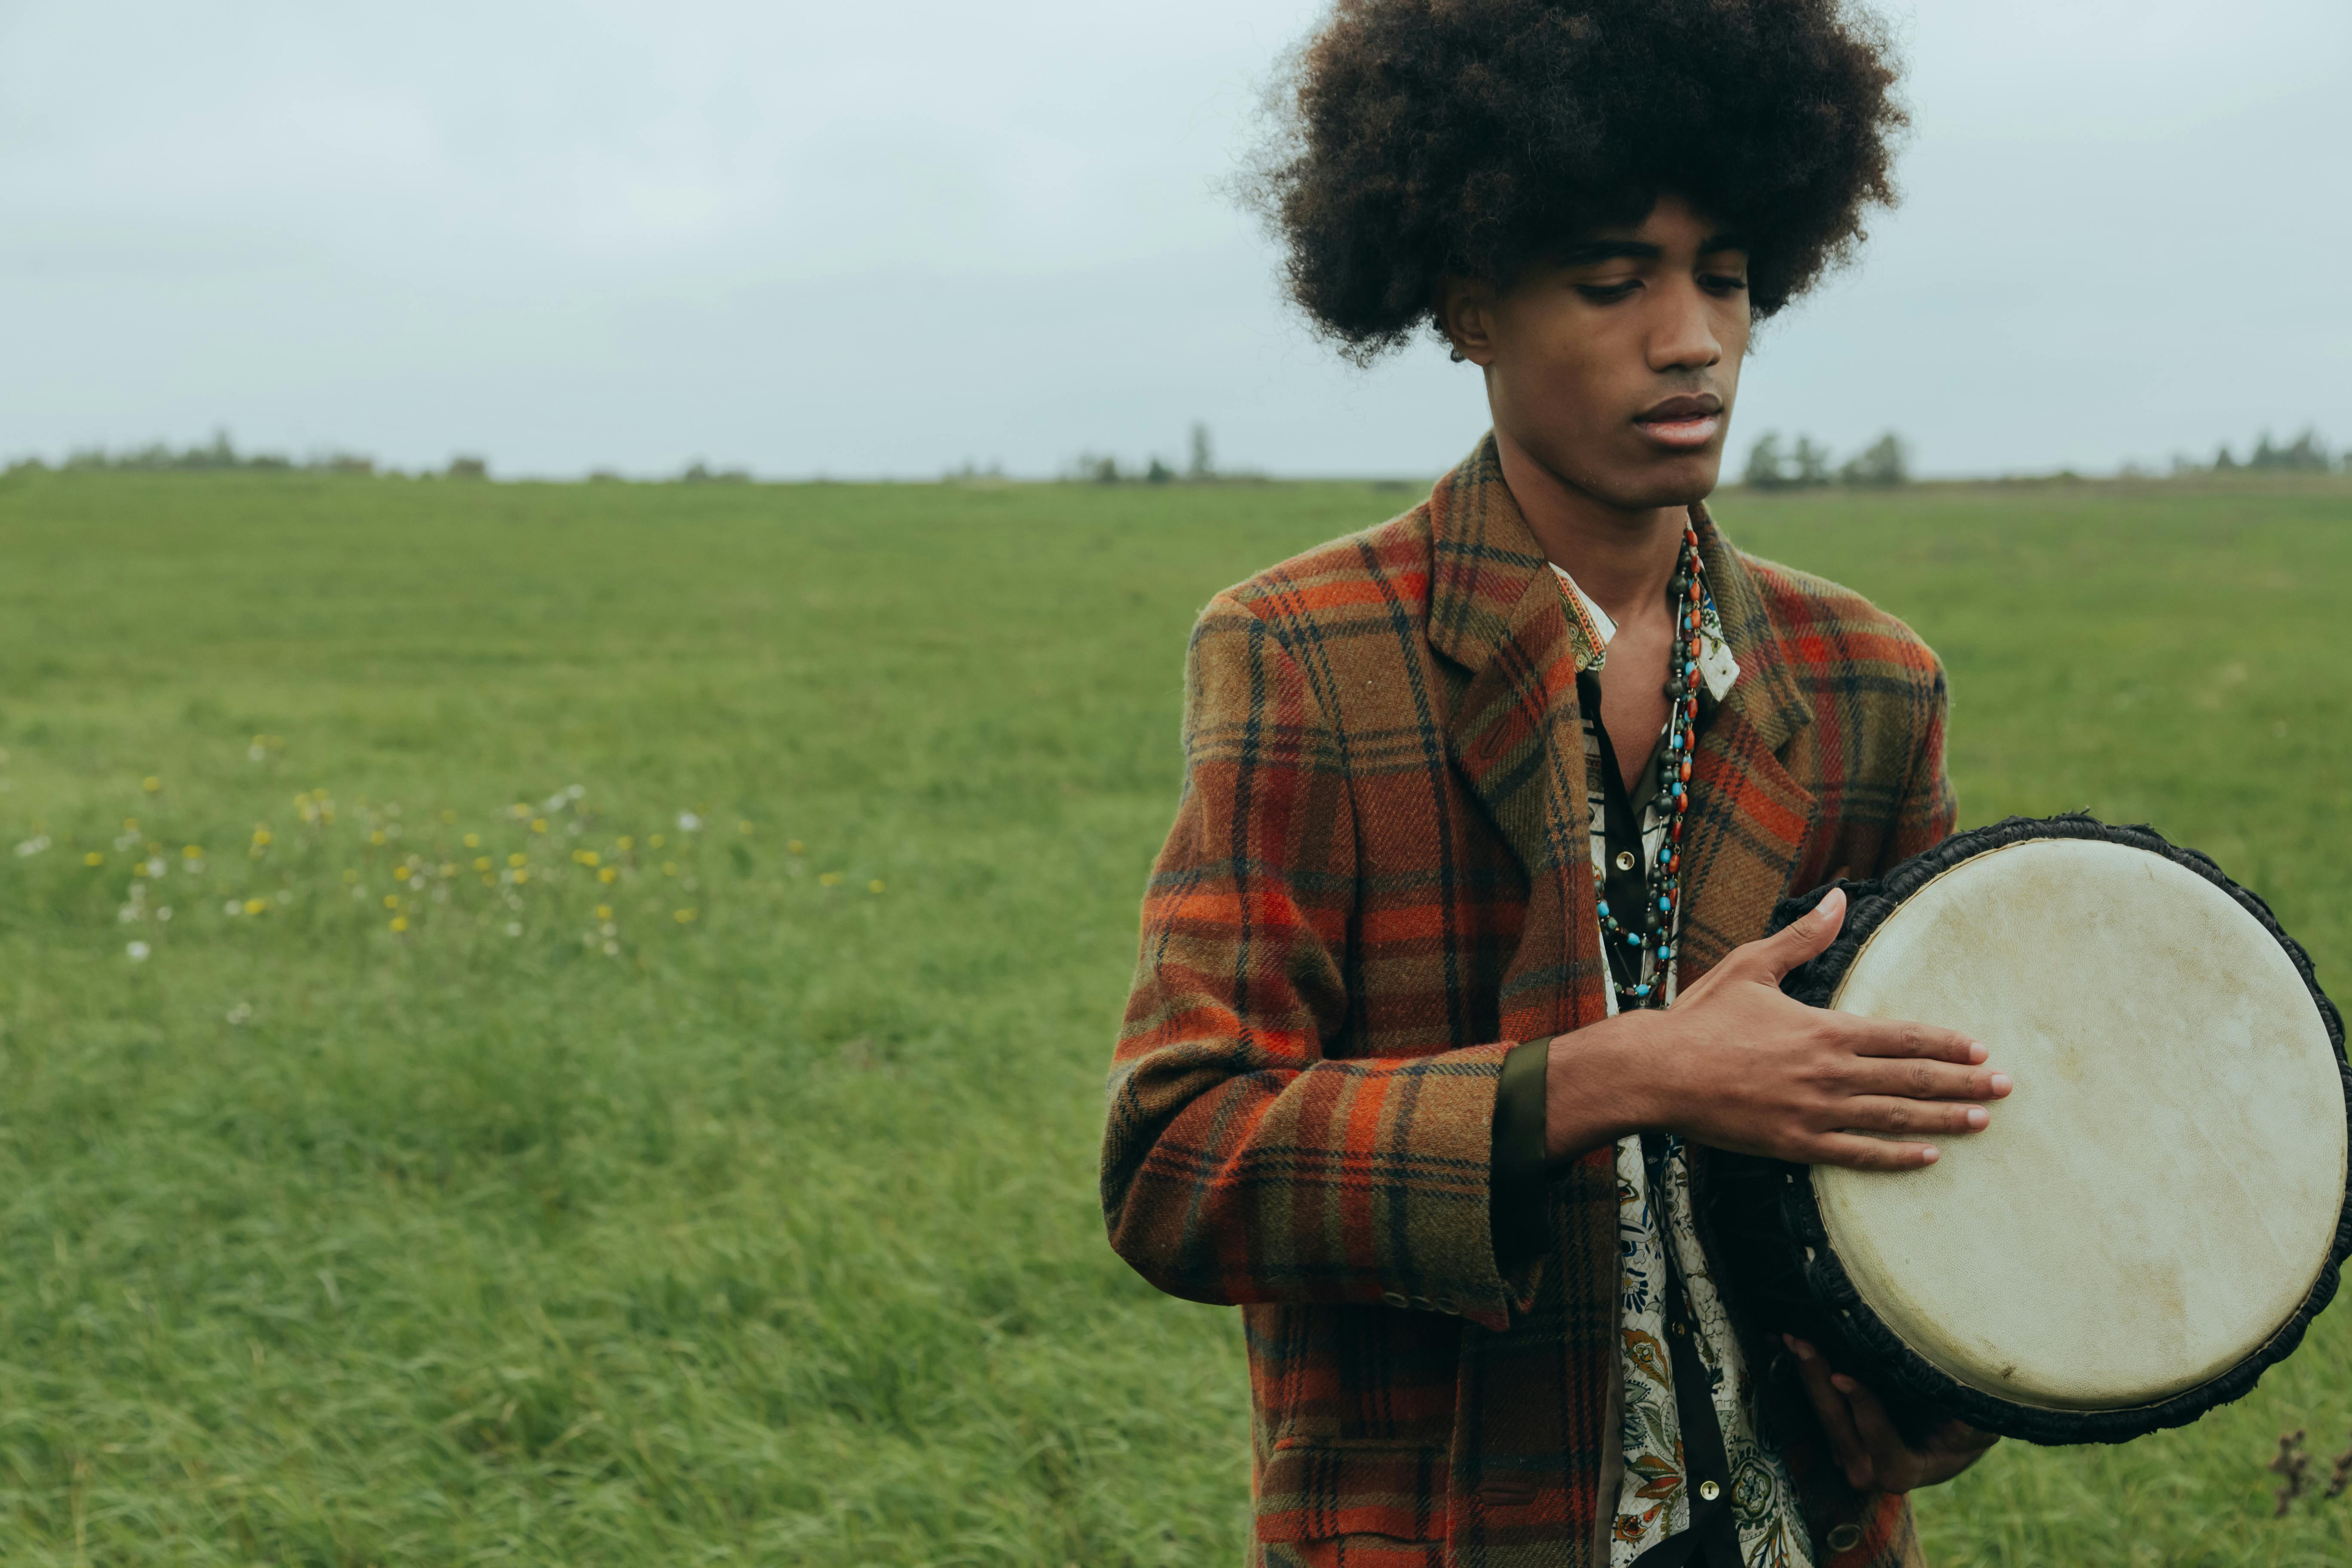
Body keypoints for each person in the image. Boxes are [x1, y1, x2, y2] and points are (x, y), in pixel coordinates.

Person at [1100, 2, 2011, 1564]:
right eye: (1614, 281)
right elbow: (1184, 1167)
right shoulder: (1306, 657)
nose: (1693, 338)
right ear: (1467, 306)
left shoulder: (1872, 683)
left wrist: (1942, 1394)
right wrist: (1623, 1076)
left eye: (1725, 276)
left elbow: (1928, 1138)